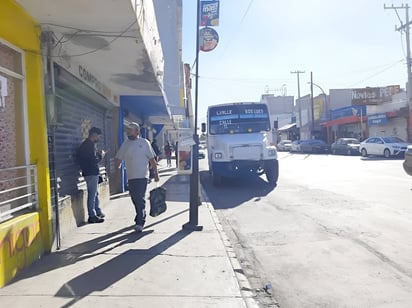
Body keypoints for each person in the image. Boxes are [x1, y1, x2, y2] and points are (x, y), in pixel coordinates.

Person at [115, 122, 159, 232]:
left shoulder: (144, 143)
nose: (128, 132)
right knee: (134, 199)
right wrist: (117, 173)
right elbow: (119, 159)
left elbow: (152, 160)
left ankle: (140, 221)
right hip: (131, 177)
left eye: (130, 130)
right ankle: (139, 214)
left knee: (140, 198)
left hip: (142, 176)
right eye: (127, 130)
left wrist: (156, 174)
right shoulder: (126, 144)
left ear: (137, 131)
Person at [78, 127, 106, 223]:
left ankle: (97, 211)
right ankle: (92, 215)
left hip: (90, 172)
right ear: (94, 135)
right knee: (92, 194)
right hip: (91, 172)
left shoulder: (87, 145)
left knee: (95, 193)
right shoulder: (89, 145)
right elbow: (93, 160)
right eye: (98, 136)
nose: (98, 138)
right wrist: (100, 155)